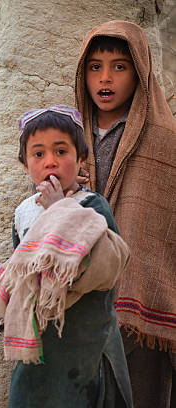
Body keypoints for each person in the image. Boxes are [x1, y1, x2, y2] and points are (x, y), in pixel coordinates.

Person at [0, 106, 133, 407]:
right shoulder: (23, 213)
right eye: (38, 154)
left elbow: (107, 267)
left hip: (84, 345)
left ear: (80, 159)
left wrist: (58, 210)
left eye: (61, 151)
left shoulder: (91, 206)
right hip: (38, 346)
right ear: (24, 164)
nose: (50, 161)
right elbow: (22, 278)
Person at [74, 20, 176, 407]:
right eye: (95, 66)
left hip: (141, 303)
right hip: (80, 297)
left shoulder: (165, 141)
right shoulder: (70, 137)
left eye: (120, 66)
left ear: (140, 72)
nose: (105, 78)